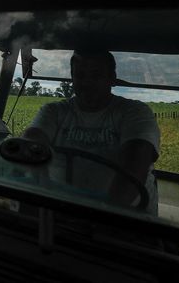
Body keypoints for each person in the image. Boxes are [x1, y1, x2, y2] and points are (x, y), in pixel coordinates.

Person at [23, 50, 161, 214]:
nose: (87, 83)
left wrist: (104, 214)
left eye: (96, 75)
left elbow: (136, 159)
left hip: (127, 220)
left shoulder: (135, 112)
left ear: (112, 79)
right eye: (80, 75)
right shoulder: (54, 111)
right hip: (61, 212)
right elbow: (32, 140)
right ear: (72, 79)